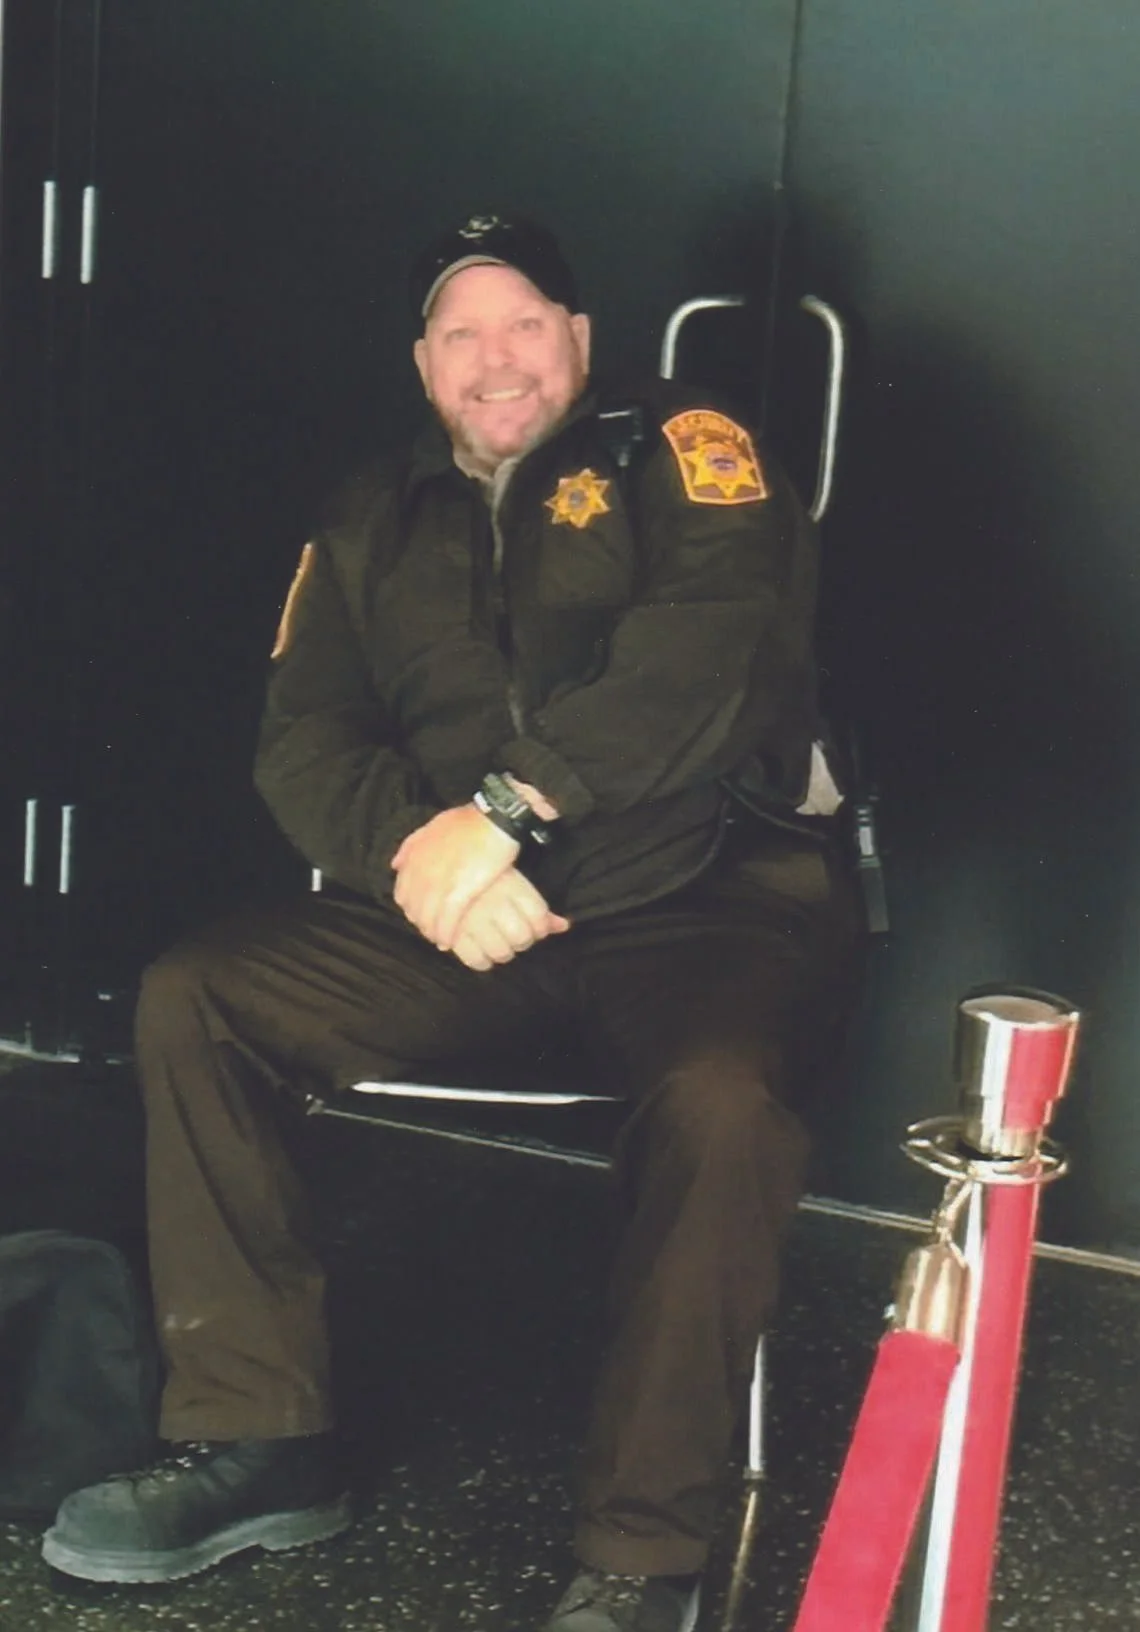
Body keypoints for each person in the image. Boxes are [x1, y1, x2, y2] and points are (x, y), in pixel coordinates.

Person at [40, 213, 863, 1632]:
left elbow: (707, 657)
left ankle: (641, 1554)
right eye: (462, 334)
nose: (498, 360)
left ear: (581, 341)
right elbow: (304, 742)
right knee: (199, 996)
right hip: (473, 918)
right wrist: (425, 862)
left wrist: (508, 813)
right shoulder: (375, 511)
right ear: (423, 364)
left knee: (721, 1105)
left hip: (705, 903)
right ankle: (261, 1437)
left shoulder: (686, 447)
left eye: (526, 323)